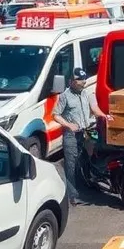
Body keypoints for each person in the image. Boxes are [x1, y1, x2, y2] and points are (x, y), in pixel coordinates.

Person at [52, 69, 108, 207]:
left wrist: (104, 115)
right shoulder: (65, 96)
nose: (83, 82)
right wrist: (68, 125)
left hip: (88, 130)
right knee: (72, 165)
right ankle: (73, 196)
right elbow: (55, 115)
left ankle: (93, 181)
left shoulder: (86, 93)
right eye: (80, 80)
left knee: (97, 153)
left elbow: (95, 109)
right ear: (72, 81)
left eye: (84, 79)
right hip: (72, 134)